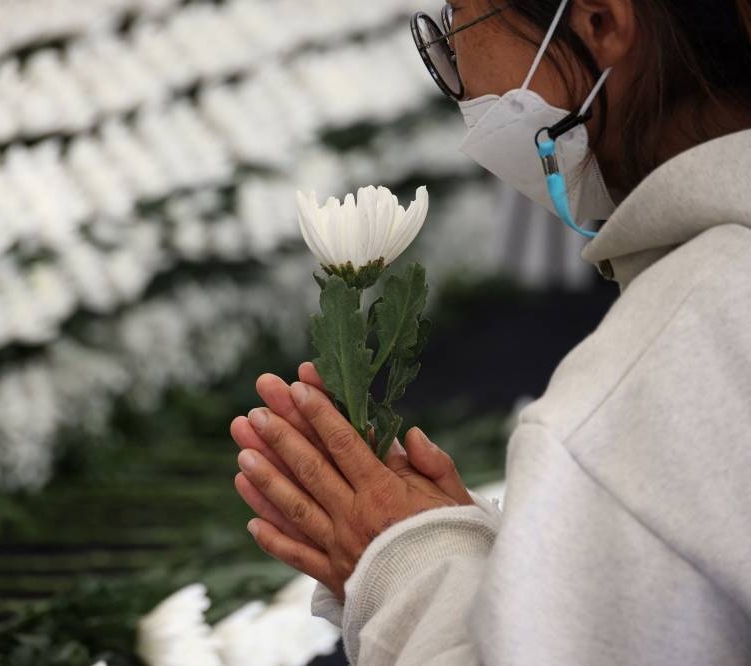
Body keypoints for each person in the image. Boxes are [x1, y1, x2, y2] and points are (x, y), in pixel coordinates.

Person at [229, 0, 751, 663]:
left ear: (598, 21)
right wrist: (532, 551)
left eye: (458, 27)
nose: (461, 81)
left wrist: (404, 568)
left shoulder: (647, 388)